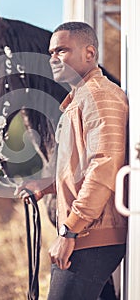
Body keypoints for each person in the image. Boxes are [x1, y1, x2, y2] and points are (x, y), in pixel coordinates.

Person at [18, 22, 129, 300]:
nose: (52, 58)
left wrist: (69, 232)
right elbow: (83, 168)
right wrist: (48, 184)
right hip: (88, 232)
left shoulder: (99, 96)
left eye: (62, 50)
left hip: (90, 236)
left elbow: (104, 166)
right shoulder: (79, 99)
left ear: (89, 53)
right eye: (51, 52)